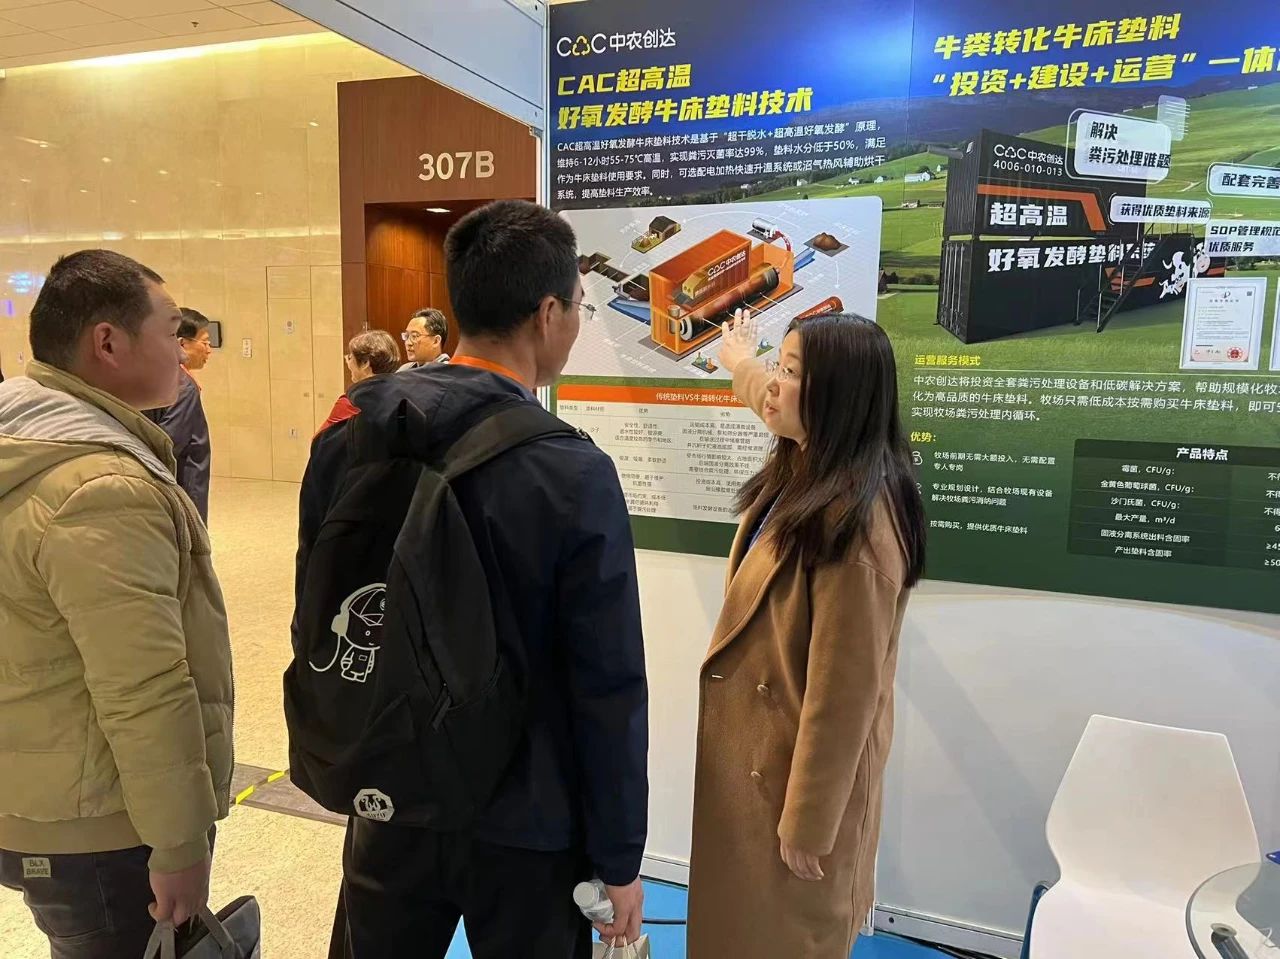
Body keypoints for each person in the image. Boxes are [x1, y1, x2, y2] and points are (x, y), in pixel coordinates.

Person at [299, 200, 648, 959]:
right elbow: (606, 681)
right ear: (549, 313)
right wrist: (619, 856)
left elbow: (317, 611)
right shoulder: (571, 470)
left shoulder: (351, 435)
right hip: (528, 817)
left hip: (389, 790)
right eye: (579, 306)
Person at [0, 249, 234, 958]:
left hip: (43, 795)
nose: (182, 352)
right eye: (171, 331)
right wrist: (179, 841)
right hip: (103, 826)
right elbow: (142, 687)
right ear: (107, 342)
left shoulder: (24, 438)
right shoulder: (100, 488)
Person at [686, 309, 926, 959]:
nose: (774, 385)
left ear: (836, 397)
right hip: (763, 757)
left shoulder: (860, 524)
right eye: (780, 366)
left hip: (793, 780)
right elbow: (764, 394)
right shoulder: (809, 464)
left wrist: (810, 821)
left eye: (790, 372)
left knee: (784, 937)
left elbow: (845, 693)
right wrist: (740, 360)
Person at [144, 307, 213, 523]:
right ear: (182, 344)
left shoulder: (154, 375)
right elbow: (169, 445)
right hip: (184, 487)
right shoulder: (183, 387)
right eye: (205, 343)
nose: (209, 350)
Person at [316, 329, 401, 435]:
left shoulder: (351, 402)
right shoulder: (404, 396)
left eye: (350, 357)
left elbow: (320, 441)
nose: (348, 363)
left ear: (365, 363)